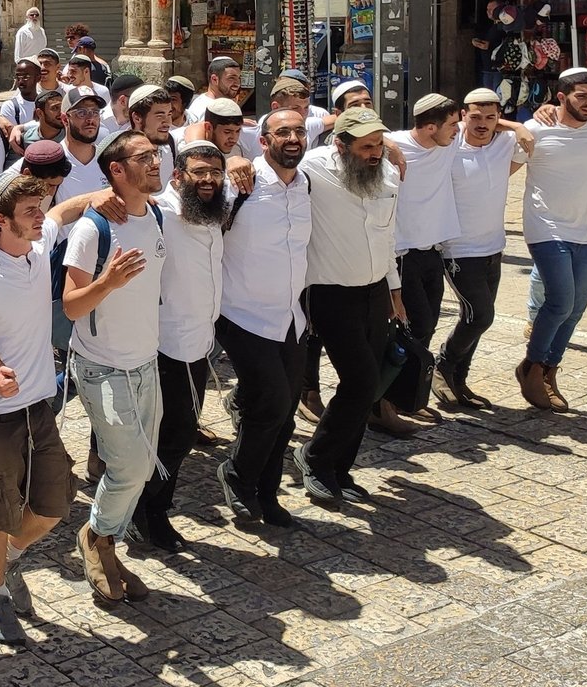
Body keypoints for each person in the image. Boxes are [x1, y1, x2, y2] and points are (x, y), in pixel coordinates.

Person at [0, 174, 102, 644]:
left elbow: (64, 211)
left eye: (39, 208)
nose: (40, 217)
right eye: (29, 212)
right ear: (1, 221)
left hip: (38, 405)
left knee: (55, 504)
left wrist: (102, 196)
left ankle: (10, 561)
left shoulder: (39, 250)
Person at [61, 130, 167, 602]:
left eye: (156, 154)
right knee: (126, 470)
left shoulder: (156, 214)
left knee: (141, 469)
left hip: (146, 362)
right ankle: (97, 538)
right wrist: (106, 283)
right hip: (103, 367)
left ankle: (105, 539)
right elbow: (71, 306)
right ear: (117, 170)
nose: (156, 162)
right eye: (144, 157)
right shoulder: (93, 229)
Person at [296, 108, 401, 505]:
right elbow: (269, 167)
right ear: (340, 145)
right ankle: (316, 458)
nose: (375, 153)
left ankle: (340, 468)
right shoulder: (313, 168)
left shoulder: (387, 173)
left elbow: (387, 236)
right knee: (360, 381)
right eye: (366, 147)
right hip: (330, 293)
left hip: (375, 291)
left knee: (368, 385)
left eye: (379, 145)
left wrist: (395, 290)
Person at [132, 141, 233, 554]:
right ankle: (144, 512)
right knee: (169, 436)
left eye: (216, 173)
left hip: (199, 341)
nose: (208, 180)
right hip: (164, 342)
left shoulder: (213, 210)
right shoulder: (158, 213)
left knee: (181, 434)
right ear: (178, 177)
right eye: (199, 172)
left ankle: (152, 508)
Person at [217, 110, 312, 528]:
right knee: (271, 401)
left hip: (291, 317)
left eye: (299, 131)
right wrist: (229, 161)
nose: (292, 138)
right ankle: (237, 474)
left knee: (285, 411)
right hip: (241, 314)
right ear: (263, 140)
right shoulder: (241, 184)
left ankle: (267, 492)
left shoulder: (307, 182)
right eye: (282, 132)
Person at [514, 68, 587, 413]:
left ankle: (548, 371)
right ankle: (531, 365)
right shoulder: (536, 128)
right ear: (561, 97)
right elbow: (499, 164)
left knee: (577, 307)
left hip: (586, 230)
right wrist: (513, 124)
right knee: (560, 301)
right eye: (581, 96)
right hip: (545, 227)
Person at [378, 94, 462, 437]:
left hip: (432, 250)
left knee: (426, 327)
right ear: (430, 127)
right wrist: (389, 144)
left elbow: (482, 121)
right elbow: (360, 134)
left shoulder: (447, 144)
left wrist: (516, 125)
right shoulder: (394, 144)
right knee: (409, 327)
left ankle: (407, 395)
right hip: (401, 254)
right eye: (452, 124)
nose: (458, 130)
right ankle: (384, 400)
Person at [435, 89, 524, 410]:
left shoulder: (505, 144)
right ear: (463, 116)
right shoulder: (449, 146)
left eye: (490, 117)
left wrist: (515, 126)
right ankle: (443, 365)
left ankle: (459, 380)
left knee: (474, 318)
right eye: (475, 117)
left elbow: (535, 136)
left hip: (493, 247)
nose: (483, 124)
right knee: (481, 316)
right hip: (458, 248)